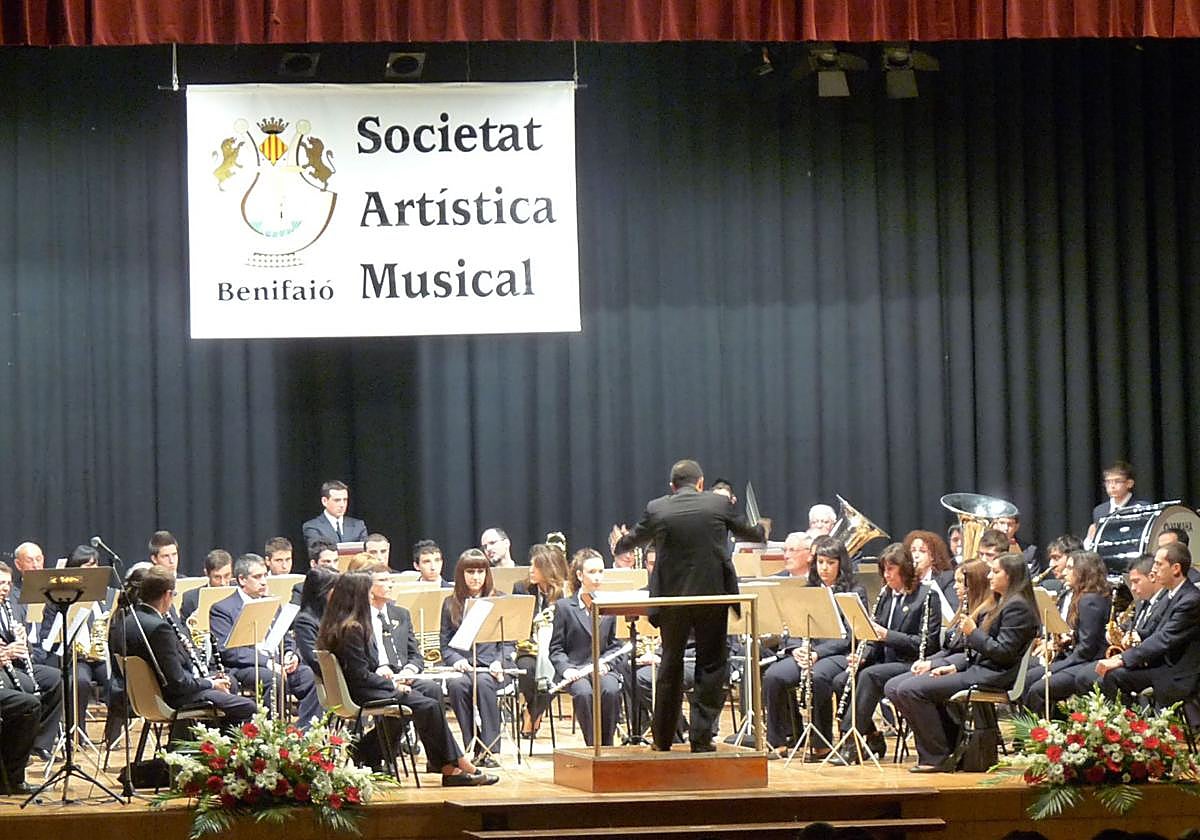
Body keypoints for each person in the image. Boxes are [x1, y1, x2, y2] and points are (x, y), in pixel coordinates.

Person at [614, 458, 768, 753]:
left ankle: (662, 738)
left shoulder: (658, 508)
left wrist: (619, 544)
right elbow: (749, 533)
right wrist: (761, 528)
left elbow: (632, 539)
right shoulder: (718, 504)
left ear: (672, 486)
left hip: (672, 600)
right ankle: (701, 737)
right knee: (711, 665)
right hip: (712, 598)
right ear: (700, 483)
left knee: (669, 664)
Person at [315, 572, 497, 786]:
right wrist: (393, 684)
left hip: (362, 688)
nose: (370, 597)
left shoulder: (342, 625)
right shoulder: (351, 629)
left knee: (428, 697)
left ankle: (447, 766)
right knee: (428, 706)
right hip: (362, 692)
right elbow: (360, 676)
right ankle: (454, 765)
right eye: (367, 593)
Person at [885, 552, 1038, 772]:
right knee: (897, 687)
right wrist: (953, 666)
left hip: (995, 676)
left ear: (1011, 576)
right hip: (978, 668)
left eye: (996, 572)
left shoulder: (1018, 607)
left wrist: (973, 633)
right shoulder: (1000, 602)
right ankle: (951, 748)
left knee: (911, 689)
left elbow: (1003, 653)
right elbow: (980, 651)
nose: (989, 576)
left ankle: (936, 756)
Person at [831, 543, 941, 764]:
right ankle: (873, 737)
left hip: (911, 663)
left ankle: (851, 741)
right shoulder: (886, 595)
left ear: (905, 569)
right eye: (884, 569)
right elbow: (874, 637)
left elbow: (925, 644)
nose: (886, 575)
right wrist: (863, 656)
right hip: (884, 662)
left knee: (869, 676)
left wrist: (888, 635)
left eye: (891, 569)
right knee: (841, 680)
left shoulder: (927, 596)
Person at [119, 566, 256, 737]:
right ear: (167, 595)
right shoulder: (159, 628)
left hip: (146, 698)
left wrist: (208, 679)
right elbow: (178, 683)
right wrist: (211, 683)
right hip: (173, 698)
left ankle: (209, 743)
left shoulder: (129, 621)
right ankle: (220, 750)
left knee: (229, 684)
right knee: (247, 706)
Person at [762, 536, 864, 758]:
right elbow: (793, 627)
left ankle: (822, 743)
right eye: (820, 562)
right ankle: (777, 741)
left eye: (830, 563)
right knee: (773, 676)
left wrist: (817, 653)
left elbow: (850, 636)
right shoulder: (807, 589)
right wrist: (796, 648)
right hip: (807, 652)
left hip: (838, 654)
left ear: (841, 564)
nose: (824, 568)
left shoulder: (855, 590)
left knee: (817, 677)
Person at [209, 554, 321, 727]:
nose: (263, 582)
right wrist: (267, 663)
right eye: (257, 577)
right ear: (242, 580)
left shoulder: (273, 602)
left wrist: (290, 654)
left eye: (264, 575)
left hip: (278, 662)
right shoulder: (222, 609)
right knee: (274, 679)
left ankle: (306, 730)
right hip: (245, 666)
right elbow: (228, 651)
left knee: (311, 676)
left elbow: (286, 637)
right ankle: (270, 733)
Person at [1090, 542, 1200, 707]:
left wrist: (1121, 659)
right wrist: (1137, 635)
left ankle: (1129, 721)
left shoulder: (1190, 600)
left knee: (1114, 677)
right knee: (1109, 676)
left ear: (1176, 568)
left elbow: (1165, 638)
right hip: (1162, 664)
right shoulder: (1172, 595)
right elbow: (1154, 630)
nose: (1154, 569)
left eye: (1159, 564)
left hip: (1178, 673)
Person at [548, 549, 627, 747]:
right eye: (592, 572)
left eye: (601, 571)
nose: (597, 577)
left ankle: (607, 746)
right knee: (583, 694)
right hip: (576, 671)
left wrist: (607, 665)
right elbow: (556, 649)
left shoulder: (609, 605)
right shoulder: (565, 607)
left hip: (603, 669)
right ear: (579, 575)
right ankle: (593, 746)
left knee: (610, 690)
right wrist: (567, 669)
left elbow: (616, 646)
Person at [440, 550, 510, 766]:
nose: (476, 577)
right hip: (464, 667)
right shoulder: (450, 603)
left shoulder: (500, 600)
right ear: (461, 574)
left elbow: (509, 642)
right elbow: (445, 645)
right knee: (457, 686)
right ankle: (472, 745)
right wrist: (456, 660)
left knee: (484, 683)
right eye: (470, 572)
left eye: (480, 572)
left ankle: (491, 748)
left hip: (493, 668)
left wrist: (499, 661)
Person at [1021, 550, 1110, 712]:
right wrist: (1068, 639)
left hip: (1089, 663)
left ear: (1083, 571)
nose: (1064, 572)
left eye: (1070, 568)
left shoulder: (1091, 601)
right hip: (1079, 659)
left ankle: (1041, 727)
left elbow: (1087, 650)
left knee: (1038, 689)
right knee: (1028, 678)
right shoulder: (1082, 596)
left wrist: (1056, 668)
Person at [0, 560, 64, 762]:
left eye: (8, 583)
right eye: (1, 583)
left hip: (16, 664)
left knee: (56, 678)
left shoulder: (11, 607)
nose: (5, 588)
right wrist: (7, 652)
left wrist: (23, 639)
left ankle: (40, 743)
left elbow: (26, 649)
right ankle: (19, 747)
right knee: (28, 689)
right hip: (3, 668)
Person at [512, 543, 567, 737]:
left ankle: (531, 713)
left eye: (535, 567)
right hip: (530, 648)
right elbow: (517, 624)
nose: (530, 570)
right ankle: (535, 710)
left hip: (556, 649)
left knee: (557, 673)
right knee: (526, 669)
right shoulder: (521, 588)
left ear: (549, 570)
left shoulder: (565, 593)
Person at [1086, 461, 1149, 545]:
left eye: (1117, 481)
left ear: (1129, 483)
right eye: (1108, 482)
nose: (1112, 486)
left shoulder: (1142, 507)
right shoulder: (1099, 511)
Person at [292, 567, 339, 672]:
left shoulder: (336, 613)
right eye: (336, 588)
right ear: (322, 591)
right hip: (330, 674)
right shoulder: (305, 621)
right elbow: (314, 659)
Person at [302, 480, 368, 553]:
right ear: (324, 501)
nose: (342, 505)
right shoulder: (312, 527)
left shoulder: (358, 525)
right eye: (337, 500)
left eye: (345, 500)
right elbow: (318, 553)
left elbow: (366, 554)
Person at [905, 530, 958, 612]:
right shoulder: (906, 579)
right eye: (913, 550)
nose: (916, 556)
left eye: (922, 551)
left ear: (932, 556)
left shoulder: (946, 579)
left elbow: (953, 610)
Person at [181, 549, 234, 620]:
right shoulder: (191, 599)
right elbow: (182, 625)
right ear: (206, 573)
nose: (223, 583)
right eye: (217, 577)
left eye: (227, 575)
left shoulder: (241, 591)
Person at [993, 512, 1042, 578]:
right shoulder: (984, 547)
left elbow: (1033, 579)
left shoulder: (1030, 552)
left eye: (1010, 524)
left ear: (1016, 527)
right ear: (995, 525)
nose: (1006, 528)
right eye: (1002, 523)